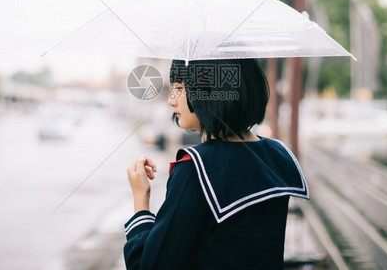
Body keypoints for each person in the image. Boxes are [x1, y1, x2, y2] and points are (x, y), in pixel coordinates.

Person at [124, 58, 309, 269]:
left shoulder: (195, 170)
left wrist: (141, 201)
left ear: (210, 91)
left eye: (180, 87)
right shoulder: (277, 156)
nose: (171, 100)